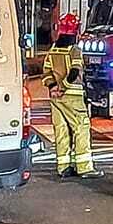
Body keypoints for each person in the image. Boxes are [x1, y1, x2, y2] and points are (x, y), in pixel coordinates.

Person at [41, 13, 96, 179]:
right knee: (81, 128)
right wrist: (63, 86)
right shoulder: (75, 50)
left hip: (55, 98)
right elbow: (74, 71)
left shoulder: (53, 50)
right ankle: (84, 168)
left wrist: (53, 87)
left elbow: (46, 72)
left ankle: (63, 167)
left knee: (62, 130)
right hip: (72, 96)